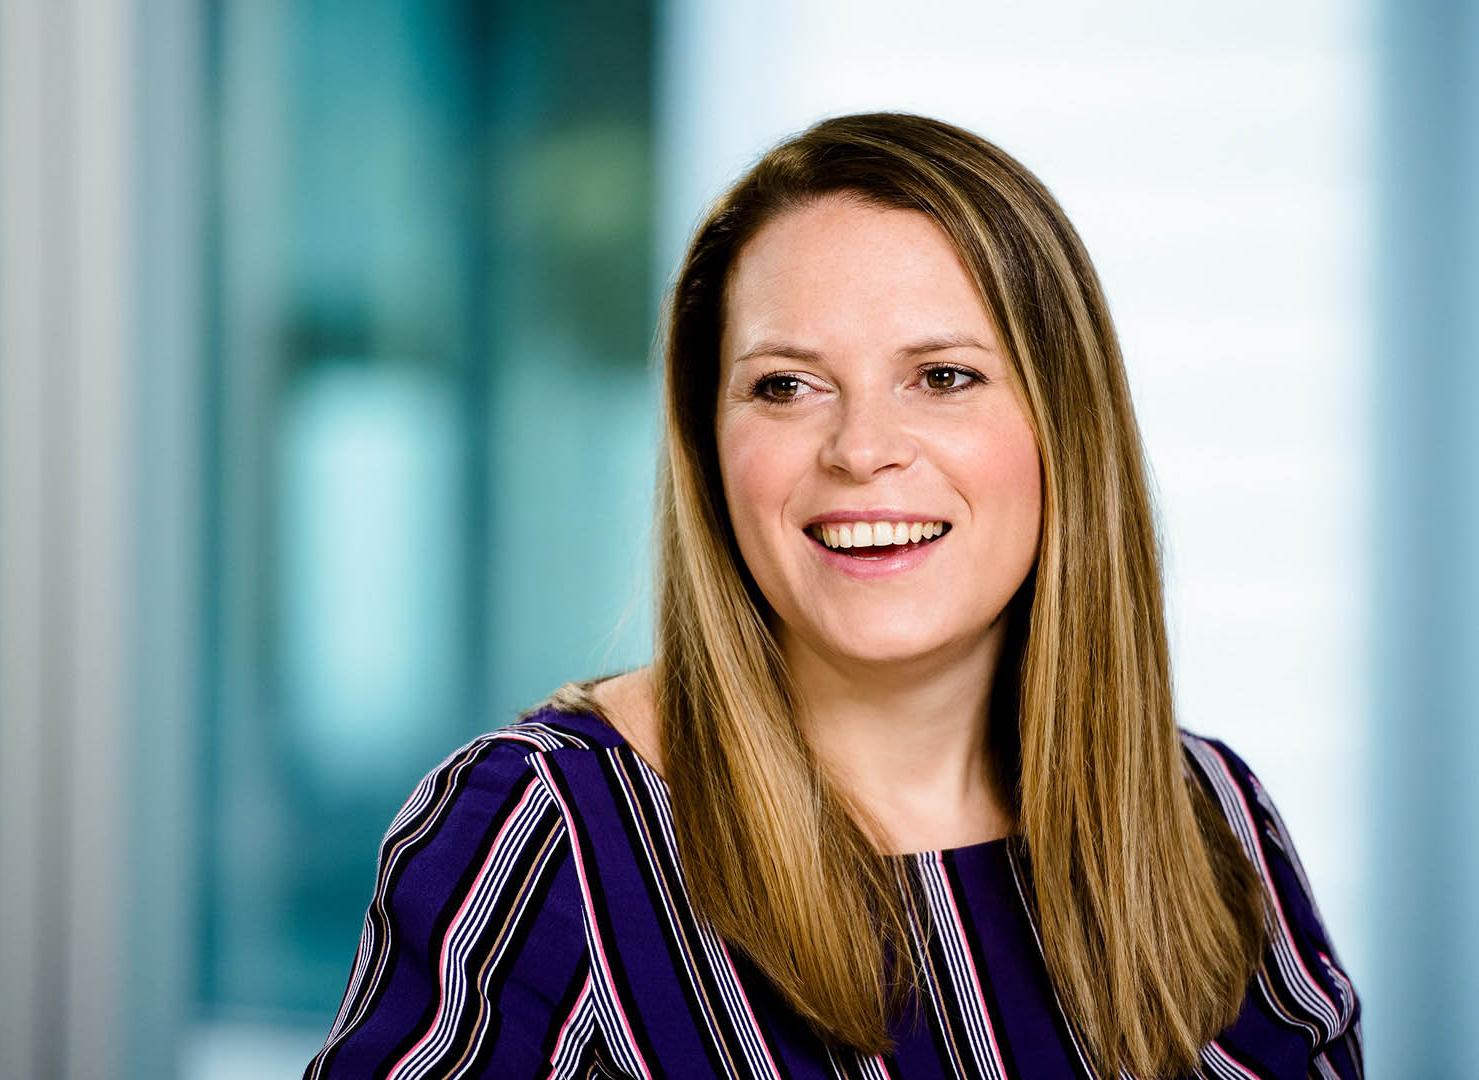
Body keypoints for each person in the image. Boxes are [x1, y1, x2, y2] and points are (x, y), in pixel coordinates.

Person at [302, 111, 1362, 1079]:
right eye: (786, 386)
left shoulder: (1206, 810)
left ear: (1064, 430)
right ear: (709, 445)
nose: (861, 451)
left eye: (943, 376)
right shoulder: (541, 838)